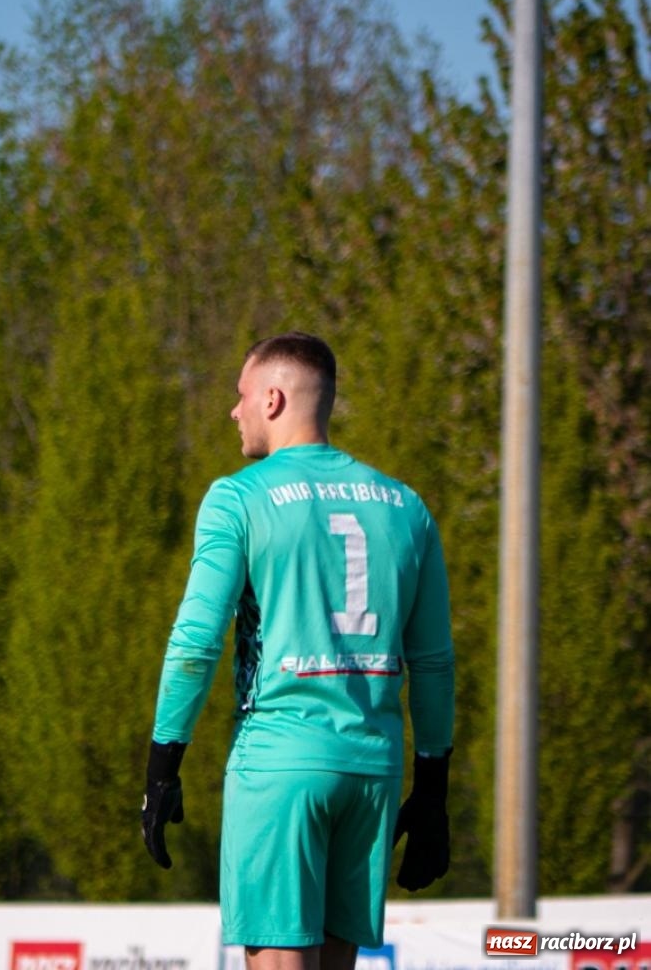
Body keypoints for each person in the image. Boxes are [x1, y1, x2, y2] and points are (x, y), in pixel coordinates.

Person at [142, 332, 454, 970]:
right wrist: (432, 793)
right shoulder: (407, 507)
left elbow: (196, 644)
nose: (235, 411)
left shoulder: (239, 497)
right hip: (373, 770)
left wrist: (162, 766)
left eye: (241, 396)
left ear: (274, 399)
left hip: (279, 763)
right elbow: (433, 664)